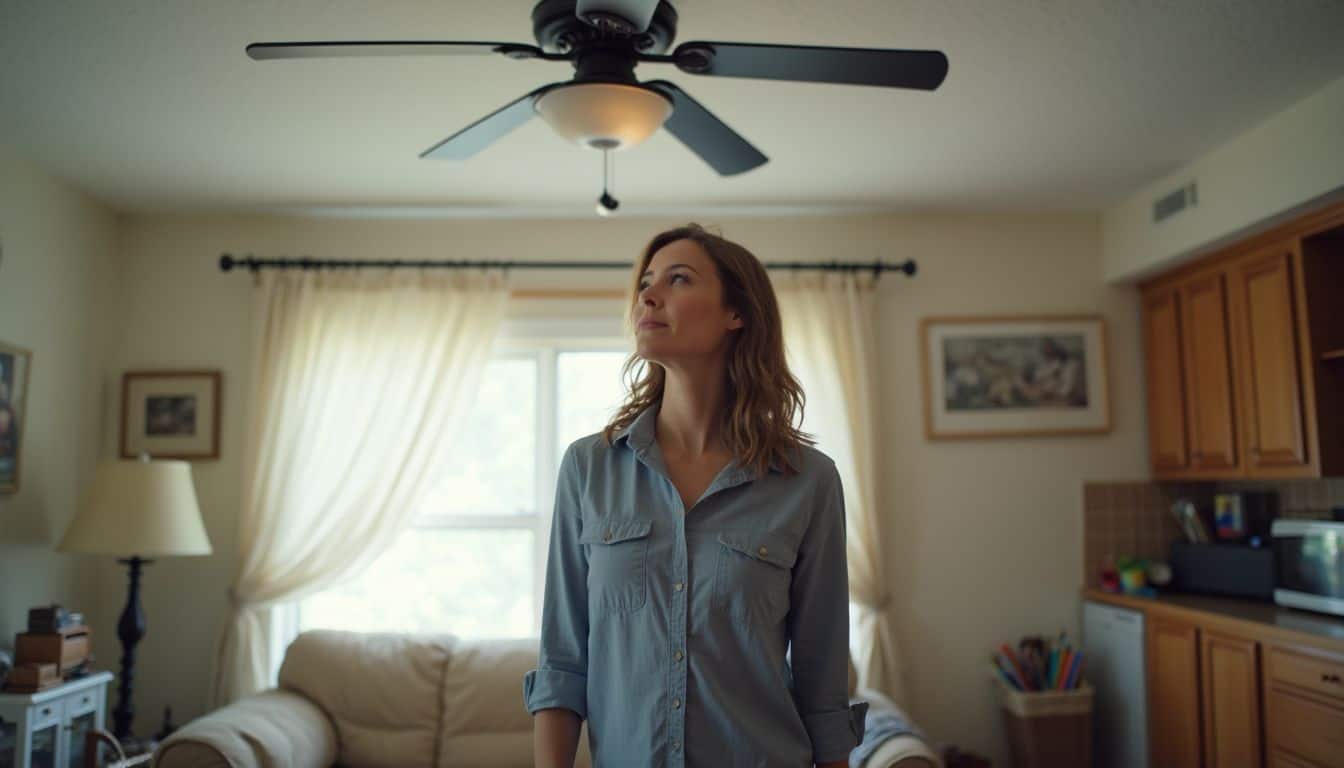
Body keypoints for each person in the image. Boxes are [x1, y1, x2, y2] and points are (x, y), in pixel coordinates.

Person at [523, 224, 867, 767]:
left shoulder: (808, 481)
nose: (649, 296)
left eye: (678, 279)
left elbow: (824, 690)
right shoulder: (588, 468)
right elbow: (563, 665)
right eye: (646, 283)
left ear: (737, 314)